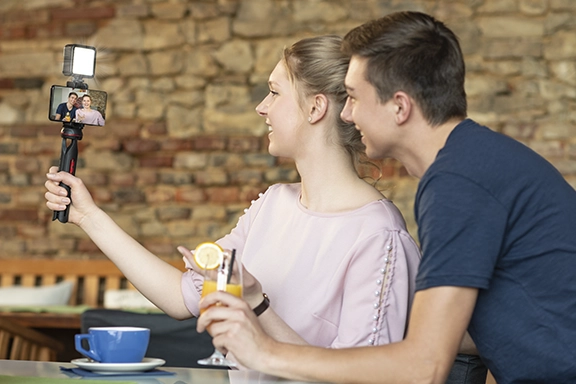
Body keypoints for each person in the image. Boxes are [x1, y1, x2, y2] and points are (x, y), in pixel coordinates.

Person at [195, 11, 576, 384]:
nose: (345, 114)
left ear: (399, 106)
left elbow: (424, 369)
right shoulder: (467, 164)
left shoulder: (459, 183)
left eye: (356, 97)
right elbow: (502, 327)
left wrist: (264, 351)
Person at [45, 36, 421, 353]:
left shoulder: (378, 236)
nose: (262, 107)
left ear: (315, 107)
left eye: (274, 92)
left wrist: (256, 307)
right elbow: (180, 297)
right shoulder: (273, 205)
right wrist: (89, 216)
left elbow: (360, 376)